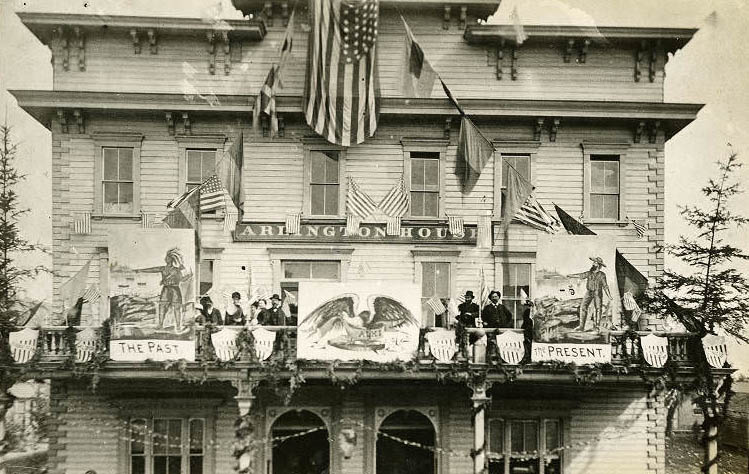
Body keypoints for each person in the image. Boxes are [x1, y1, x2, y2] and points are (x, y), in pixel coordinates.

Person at [133, 247, 193, 332]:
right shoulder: (163, 268)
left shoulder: (178, 269)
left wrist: (188, 275)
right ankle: (160, 325)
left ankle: (178, 327)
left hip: (175, 290)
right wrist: (140, 270)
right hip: (166, 289)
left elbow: (182, 279)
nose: (165, 258)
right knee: (162, 307)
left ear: (171, 259)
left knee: (176, 308)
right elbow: (153, 269)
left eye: (167, 257)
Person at [568, 256, 612, 331]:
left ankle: (597, 326)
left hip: (598, 293)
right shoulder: (589, 273)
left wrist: (609, 296)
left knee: (598, 309)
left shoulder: (602, 275)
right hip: (589, 292)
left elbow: (605, 286)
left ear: (598, 265)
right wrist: (571, 275)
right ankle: (581, 327)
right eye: (593, 262)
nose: (593, 264)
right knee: (583, 307)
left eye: (595, 262)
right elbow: (581, 275)